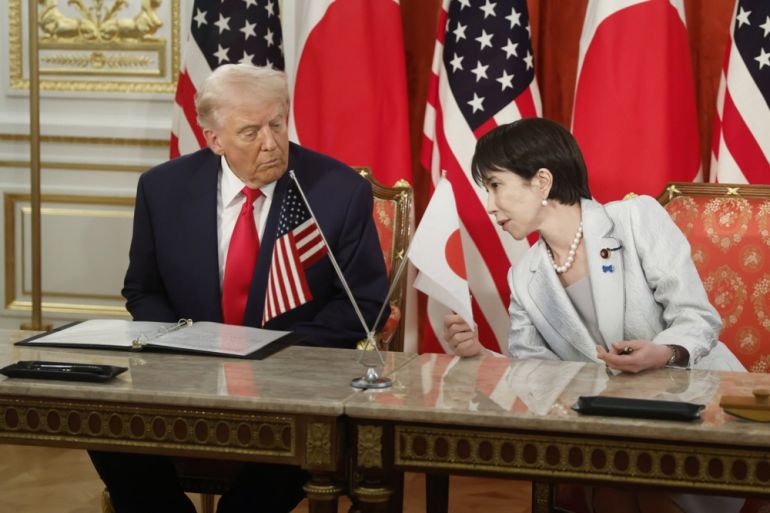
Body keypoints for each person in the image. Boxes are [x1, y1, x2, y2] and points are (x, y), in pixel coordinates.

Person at [89, 64, 389, 513]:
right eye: (251, 132)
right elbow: (143, 290)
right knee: (100, 418)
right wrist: (184, 344)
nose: (271, 143)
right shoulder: (162, 188)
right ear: (214, 139)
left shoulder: (338, 190)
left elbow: (363, 303)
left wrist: (274, 353)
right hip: (188, 374)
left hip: (293, 380)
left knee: (303, 438)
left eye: (277, 124)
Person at [443, 118, 745, 513]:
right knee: (615, 480)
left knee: (640, 481)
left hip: (698, 409)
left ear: (542, 181)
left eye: (496, 185)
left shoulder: (636, 218)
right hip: (611, 429)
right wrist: (478, 354)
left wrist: (664, 352)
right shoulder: (523, 277)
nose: (489, 205)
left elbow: (698, 318)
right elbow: (532, 372)